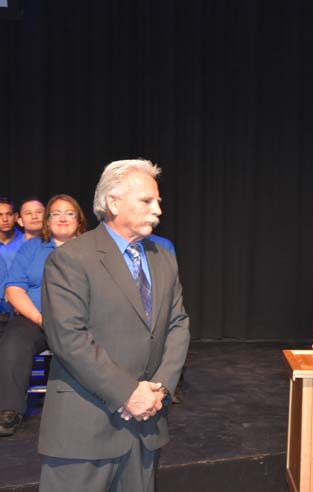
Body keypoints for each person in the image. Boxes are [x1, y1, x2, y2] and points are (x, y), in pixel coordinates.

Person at [38, 159, 190, 491]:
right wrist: (127, 393)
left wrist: (159, 390)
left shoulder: (163, 258)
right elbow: (68, 338)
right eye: (147, 201)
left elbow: (178, 325)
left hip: (146, 426)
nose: (158, 210)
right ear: (113, 202)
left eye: (159, 201)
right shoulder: (71, 259)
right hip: (83, 430)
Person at [0, 195, 86, 437]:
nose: (62, 218)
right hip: (35, 319)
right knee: (14, 342)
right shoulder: (32, 247)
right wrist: (39, 318)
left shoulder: (92, 248)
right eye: (55, 213)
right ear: (47, 220)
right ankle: (8, 411)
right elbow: (14, 288)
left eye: (69, 213)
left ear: (79, 220)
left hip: (81, 321)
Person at [0, 197, 24, 269]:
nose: (5, 219)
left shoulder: (26, 242)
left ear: (16, 217)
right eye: (0, 215)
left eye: (9, 214)